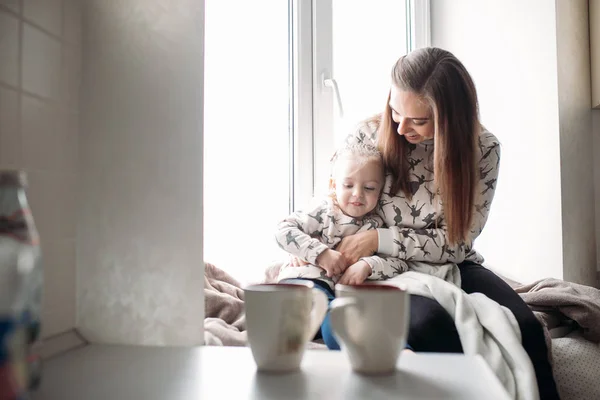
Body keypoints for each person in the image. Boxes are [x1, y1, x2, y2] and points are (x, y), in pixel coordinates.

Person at [325, 47, 559, 399]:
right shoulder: (366, 136)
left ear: (450, 117)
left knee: (527, 329)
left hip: (451, 261)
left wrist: (378, 238)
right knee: (430, 325)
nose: (401, 127)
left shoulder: (482, 149)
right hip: (383, 268)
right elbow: (333, 206)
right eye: (395, 111)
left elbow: (457, 244)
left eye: (418, 120)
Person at [275, 142, 408, 349]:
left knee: (361, 316)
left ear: (380, 191)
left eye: (369, 188)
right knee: (335, 318)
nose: (357, 194)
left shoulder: (376, 226)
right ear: (332, 185)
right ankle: (369, 349)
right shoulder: (323, 211)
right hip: (304, 284)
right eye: (348, 185)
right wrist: (320, 254)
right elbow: (283, 230)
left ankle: (398, 351)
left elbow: (399, 263)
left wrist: (367, 265)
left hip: (339, 296)